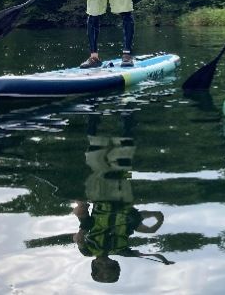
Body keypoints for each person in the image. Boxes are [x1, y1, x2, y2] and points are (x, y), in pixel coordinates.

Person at [73, 114, 173, 283]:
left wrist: (82, 220)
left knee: (96, 159)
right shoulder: (122, 249)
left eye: (103, 271)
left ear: (95, 267)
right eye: (111, 270)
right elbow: (145, 230)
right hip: (123, 198)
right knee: (123, 159)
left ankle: (93, 120)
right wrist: (155, 221)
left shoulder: (89, 250)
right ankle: (128, 122)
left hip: (101, 198)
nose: (107, 266)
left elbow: (78, 237)